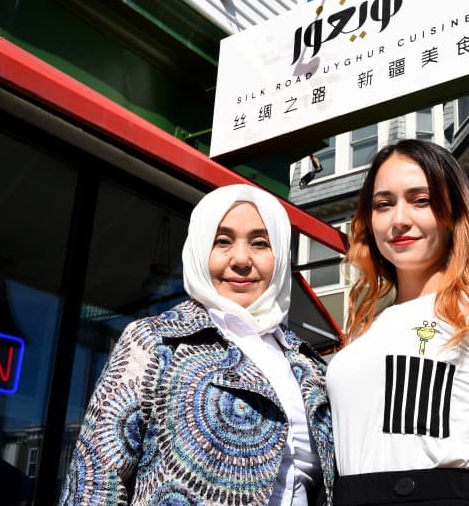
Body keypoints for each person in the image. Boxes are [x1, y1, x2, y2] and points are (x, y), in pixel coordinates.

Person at [60, 184, 335, 506]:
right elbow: (95, 479)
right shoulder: (157, 340)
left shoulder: (308, 364)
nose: (241, 259)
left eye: (260, 243)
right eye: (223, 241)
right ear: (200, 250)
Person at [326, 139, 469, 505]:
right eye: (383, 204)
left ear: (452, 211)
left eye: (421, 200)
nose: (399, 219)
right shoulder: (363, 329)